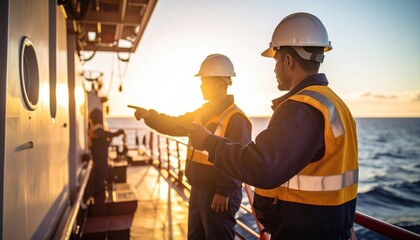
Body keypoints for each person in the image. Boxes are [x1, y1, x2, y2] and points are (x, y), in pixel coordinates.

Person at [185, 13, 358, 240]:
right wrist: (345, 228)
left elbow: (261, 166)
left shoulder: (302, 108)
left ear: (288, 60)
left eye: (276, 60)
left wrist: (208, 141)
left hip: (305, 233)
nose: (275, 68)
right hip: (330, 230)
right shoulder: (333, 104)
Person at [131, 54, 252, 240]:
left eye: (205, 81)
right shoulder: (202, 113)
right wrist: (150, 116)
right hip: (198, 188)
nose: (201, 86)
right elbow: (174, 124)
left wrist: (223, 191)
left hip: (218, 194)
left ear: (221, 83)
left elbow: (237, 160)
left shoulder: (236, 119)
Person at [89, 108, 124, 201]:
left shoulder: (94, 130)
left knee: (102, 175)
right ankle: (99, 199)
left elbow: (104, 139)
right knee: (100, 177)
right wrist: (117, 133)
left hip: (100, 158)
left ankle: (100, 195)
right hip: (100, 159)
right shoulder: (97, 130)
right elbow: (105, 135)